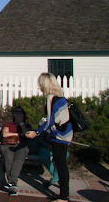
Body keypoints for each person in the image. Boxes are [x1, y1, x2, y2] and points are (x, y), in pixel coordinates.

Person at [26, 72, 72, 202]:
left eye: (40, 84)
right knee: (61, 164)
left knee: (61, 166)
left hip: (60, 136)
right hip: (65, 134)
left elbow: (50, 120)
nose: (39, 86)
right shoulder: (60, 97)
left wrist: (37, 132)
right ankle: (64, 194)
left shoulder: (51, 98)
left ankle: (64, 197)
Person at [0, 106, 31, 196]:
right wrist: (19, 134)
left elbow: (27, 134)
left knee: (18, 160)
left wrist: (21, 123)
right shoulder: (8, 124)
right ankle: (13, 183)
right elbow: (5, 134)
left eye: (20, 113)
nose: (18, 114)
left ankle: (12, 182)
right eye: (16, 113)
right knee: (9, 160)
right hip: (8, 144)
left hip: (21, 145)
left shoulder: (26, 125)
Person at [37, 117, 68, 190]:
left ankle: (54, 178)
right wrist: (47, 145)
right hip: (45, 147)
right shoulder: (44, 121)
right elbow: (40, 137)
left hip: (57, 146)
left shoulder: (61, 122)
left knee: (65, 155)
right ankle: (56, 178)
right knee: (44, 156)